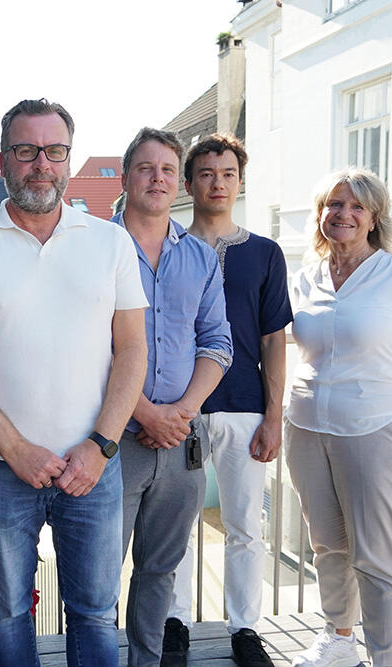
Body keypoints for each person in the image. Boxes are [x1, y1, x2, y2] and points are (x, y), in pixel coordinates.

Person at [0, 98, 148, 667]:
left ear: (68, 160)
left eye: (54, 151)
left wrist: (100, 446)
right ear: (4, 160)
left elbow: (132, 353)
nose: (41, 164)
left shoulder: (110, 243)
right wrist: (16, 448)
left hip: (92, 465)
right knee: (6, 610)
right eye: (26, 151)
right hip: (1, 468)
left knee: (96, 611)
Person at [286, 168, 392, 667]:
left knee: (376, 556)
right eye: (334, 205)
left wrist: (387, 412)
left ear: (374, 217)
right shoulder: (305, 278)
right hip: (306, 427)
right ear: (320, 214)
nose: (344, 214)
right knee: (328, 545)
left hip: (373, 433)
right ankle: (338, 640)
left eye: (356, 206)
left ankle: (386, 659)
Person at [165, 134, 292, 667]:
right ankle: (173, 623)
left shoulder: (264, 253)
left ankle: (244, 629)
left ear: (240, 182)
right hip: (176, 409)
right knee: (173, 527)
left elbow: (272, 339)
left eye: (228, 174)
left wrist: (274, 417)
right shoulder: (165, 247)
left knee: (244, 526)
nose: (218, 183)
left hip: (243, 407)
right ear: (189, 181)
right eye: (207, 173)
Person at [112, 128, 233, 667]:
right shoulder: (96, 249)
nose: (157, 178)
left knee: (160, 568)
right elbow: (84, 348)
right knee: (98, 571)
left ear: (176, 182)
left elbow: (217, 342)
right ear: (126, 176)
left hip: (183, 440)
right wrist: (144, 412)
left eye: (166, 169)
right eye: (146, 168)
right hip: (114, 438)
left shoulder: (201, 259)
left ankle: (146, 661)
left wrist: (179, 415)